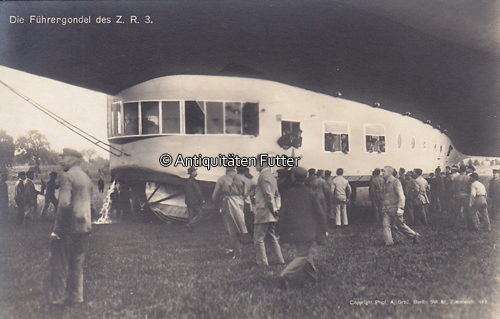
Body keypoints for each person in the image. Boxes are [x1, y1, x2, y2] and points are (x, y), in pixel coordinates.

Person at [50, 148, 93, 305]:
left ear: (74, 159)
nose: (61, 160)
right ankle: (76, 296)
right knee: (77, 263)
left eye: (64, 157)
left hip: (69, 227)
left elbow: (64, 204)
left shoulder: (68, 176)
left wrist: (57, 229)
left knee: (60, 262)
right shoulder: (86, 177)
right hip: (85, 226)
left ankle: (58, 298)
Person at [277, 167, 327, 286]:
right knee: (302, 255)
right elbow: (320, 213)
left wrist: (279, 229)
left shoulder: (288, 193)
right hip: (308, 230)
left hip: (293, 231)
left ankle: (312, 278)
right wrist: (324, 229)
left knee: (304, 253)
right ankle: (285, 275)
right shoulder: (311, 193)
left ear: (293, 177)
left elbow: (283, 212)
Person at [253, 158, 285, 266]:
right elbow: (277, 195)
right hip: (271, 212)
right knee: (271, 237)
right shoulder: (271, 176)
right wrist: (276, 209)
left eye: (257, 163)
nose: (255, 165)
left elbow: (268, 196)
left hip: (264, 211)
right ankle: (280, 259)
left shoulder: (262, 176)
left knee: (258, 238)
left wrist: (273, 209)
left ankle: (262, 262)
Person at [212, 167, 248, 259]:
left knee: (231, 228)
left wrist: (218, 204)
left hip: (228, 202)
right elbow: (248, 187)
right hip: (240, 201)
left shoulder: (222, 179)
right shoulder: (242, 178)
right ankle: (238, 247)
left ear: (226, 169)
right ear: (234, 169)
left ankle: (237, 252)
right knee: (239, 224)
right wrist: (243, 196)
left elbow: (214, 196)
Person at [380, 166, 420, 246]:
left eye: (384, 171)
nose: (382, 173)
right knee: (385, 225)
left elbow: (401, 196)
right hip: (386, 209)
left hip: (395, 209)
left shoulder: (396, 182)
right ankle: (389, 243)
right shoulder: (385, 182)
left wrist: (400, 208)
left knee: (400, 225)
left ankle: (414, 235)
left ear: (389, 172)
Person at [451, 165, 472, 229]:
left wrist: (452, 195)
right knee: (468, 211)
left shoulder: (456, 178)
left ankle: (454, 225)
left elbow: (452, 188)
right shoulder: (468, 178)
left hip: (458, 195)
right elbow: (470, 188)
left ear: (460, 170)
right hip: (466, 196)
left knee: (456, 211)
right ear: (465, 170)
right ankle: (469, 225)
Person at [185, 167, 204, 231]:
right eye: (195, 171)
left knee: (191, 216)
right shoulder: (193, 181)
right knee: (199, 214)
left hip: (188, 201)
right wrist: (202, 199)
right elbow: (198, 191)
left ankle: (190, 229)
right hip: (194, 201)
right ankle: (190, 224)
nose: (196, 172)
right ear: (192, 173)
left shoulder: (188, 181)